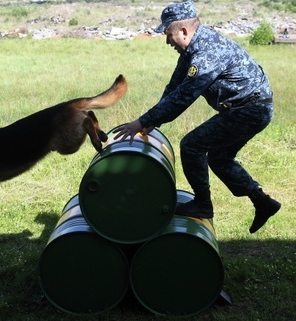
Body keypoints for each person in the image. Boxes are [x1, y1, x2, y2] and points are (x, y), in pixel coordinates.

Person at [114, 0, 281, 234]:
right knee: (219, 158)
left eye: (168, 33)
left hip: (250, 110)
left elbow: (184, 96)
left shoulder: (207, 52)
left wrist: (142, 121)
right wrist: (152, 121)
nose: (166, 40)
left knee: (192, 145)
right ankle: (263, 202)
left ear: (183, 31)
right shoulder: (192, 49)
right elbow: (174, 88)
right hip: (245, 108)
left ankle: (203, 205)